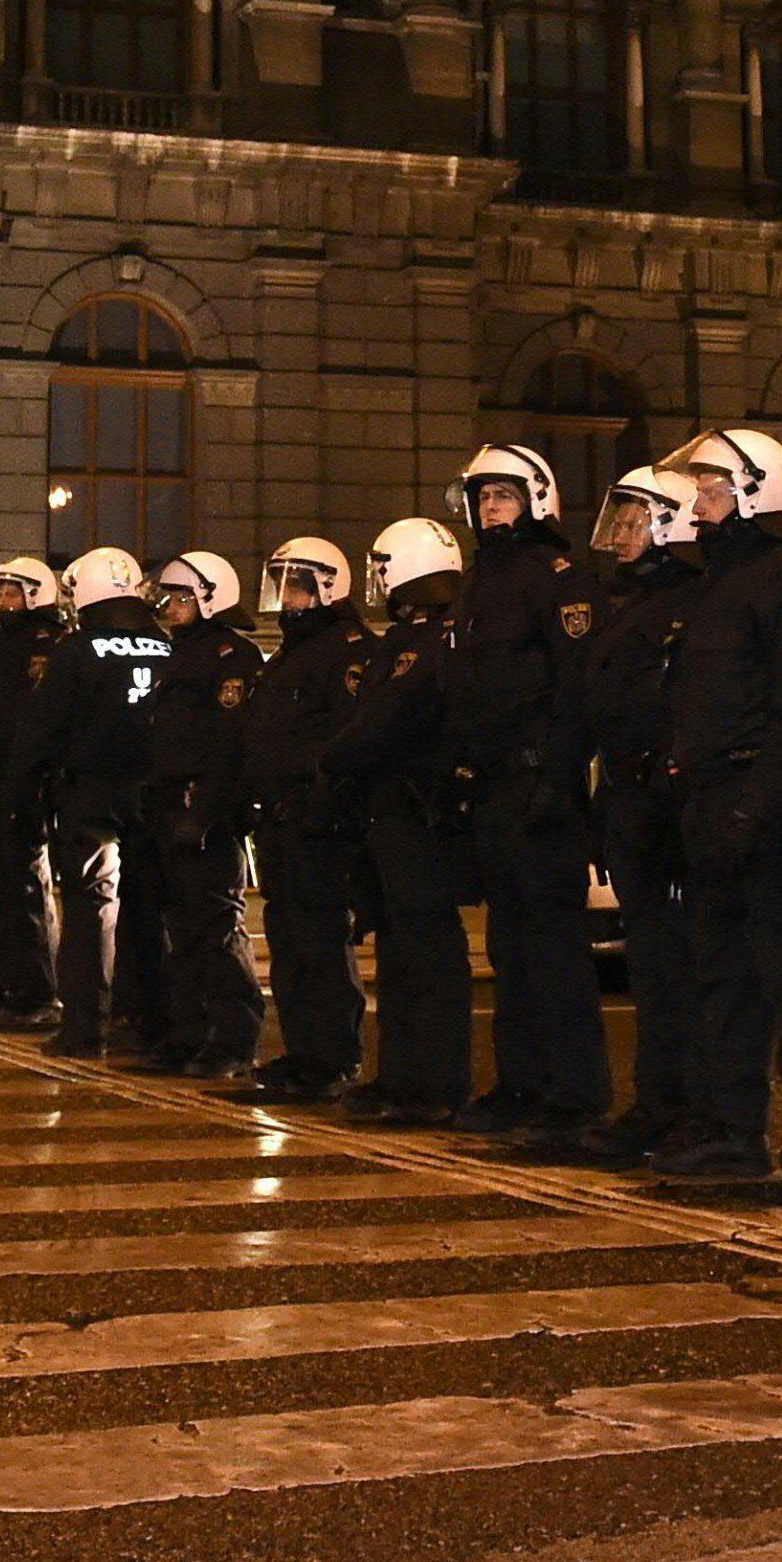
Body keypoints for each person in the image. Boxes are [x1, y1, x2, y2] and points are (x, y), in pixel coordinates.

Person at [661, 428, 782, 1195]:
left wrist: (757, 806)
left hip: (767, 806)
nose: (697, 507)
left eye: (711, 491)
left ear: (754, 492)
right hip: (710, 799)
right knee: (723, 977)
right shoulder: (717, 583)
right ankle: (733, 1129)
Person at [444, 443, 613, 1146]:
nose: (490, 507)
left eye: (503, 495)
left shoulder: (557, 577)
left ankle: (573, 1096)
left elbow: (579, 689)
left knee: (555, 952)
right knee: (509, 952)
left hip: (540, 783)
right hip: (492, 788)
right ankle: (521, 1084)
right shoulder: (481, 581)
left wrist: (559, 778)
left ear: (536, 498)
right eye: (483, 496)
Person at [574, 468, 708, 1169]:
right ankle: (657, 1105)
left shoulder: (689, 600)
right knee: (651, 970)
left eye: (634, 521)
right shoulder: (627, 604)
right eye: (619, 520)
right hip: (629, 797)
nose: (621, 534)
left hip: (671, 801)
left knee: (682, 967)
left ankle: (687, 1109)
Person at [325, 517, 473, 1123]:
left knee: (426, 953)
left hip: (419, 813)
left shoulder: (429, 639)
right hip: (395, 813)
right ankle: (403, 1078)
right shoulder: (411, 637)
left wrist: (331, 760)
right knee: (401, 950)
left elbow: (386, 719)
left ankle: (432, 1086)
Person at [239, 539, 373, 1102]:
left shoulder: (346, 650)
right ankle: (302, 1052)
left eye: (296, 583)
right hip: (279, 820)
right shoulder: (292, 653)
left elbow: (346, 737)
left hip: (318, 822)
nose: (286, 595)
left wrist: (318, 799)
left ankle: (334, 1058)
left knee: (321, 940)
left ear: (328, 585)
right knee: (290, 941)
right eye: (281, 582)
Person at [41, 547, 172, 1058]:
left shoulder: (76, 651)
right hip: (152, 792)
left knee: (90, 907)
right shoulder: (165, 644)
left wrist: (26, 789)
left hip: (91, 791)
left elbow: (44, 727)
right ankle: (149, 1018)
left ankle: (85, 1025)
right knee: (149, 908)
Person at [145, 549, 265, 1075]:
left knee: (216, 927)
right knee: (183, 930)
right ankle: (189, 1032)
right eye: (168, 596)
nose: (170, 606)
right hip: (172, 803)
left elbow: (230, 742)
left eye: (181, 596)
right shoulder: (179, 655)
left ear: (212, 597)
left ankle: (234, 1039)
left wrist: (209, 811)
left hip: (205, 808)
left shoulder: (231, 656)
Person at [0, 557, 66, 1024]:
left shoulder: (38, 645)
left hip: (17, 781)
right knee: (9, 889)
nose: (3, 600)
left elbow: (23, 718)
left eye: (11, 592)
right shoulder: (6, 643)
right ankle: (15, 984)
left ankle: (35, 991)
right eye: (0, 590)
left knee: (25, 888)